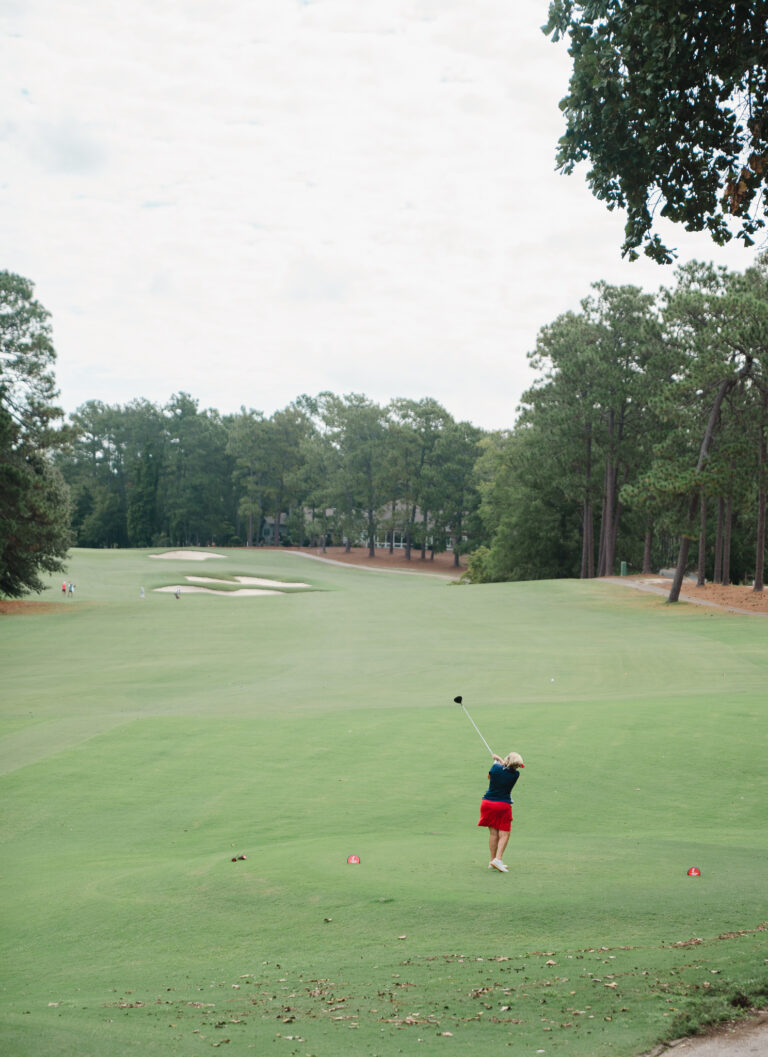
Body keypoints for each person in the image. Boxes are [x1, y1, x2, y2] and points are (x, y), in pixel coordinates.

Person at [478, 751, 524, 873]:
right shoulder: (515, 774)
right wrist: (499, 760)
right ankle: (498, 860)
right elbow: (507, 768)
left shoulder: (496, 767)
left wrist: (496, 760)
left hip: (487, 803)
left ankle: (492, 860)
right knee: (504, 834)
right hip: (502, 805)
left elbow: (490, 776)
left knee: (493, 834)